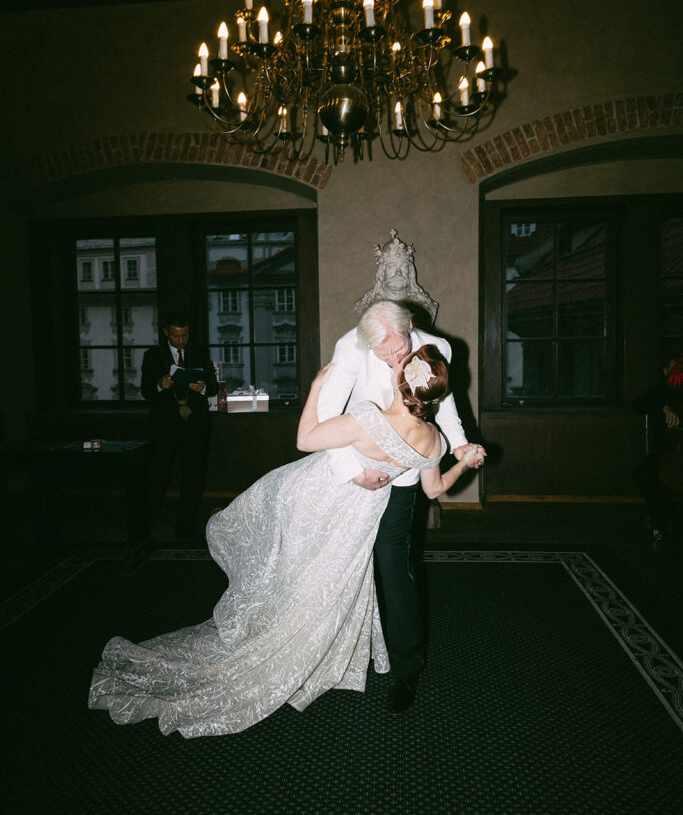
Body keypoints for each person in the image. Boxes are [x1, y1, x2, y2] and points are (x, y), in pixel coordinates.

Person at [88, 345, 484, 738]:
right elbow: (433, 490)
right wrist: (464, 461)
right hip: (358, 518)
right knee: (321, 583)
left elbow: (306, 439)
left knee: (290, 572)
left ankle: (274, 638)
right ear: (437, 396)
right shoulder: (434, 441)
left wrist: (314, 388)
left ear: (401, 382)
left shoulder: (367, 419)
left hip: (318, 499)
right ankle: (297, 646)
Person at [317, 300, 485, 712]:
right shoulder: (350, 347)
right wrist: (353, 472)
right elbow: (326, 411)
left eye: (397, 348)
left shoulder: (436, 347)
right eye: (383, 353)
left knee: (395, 568)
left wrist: (459, 445)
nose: (394, 359)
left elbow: (444, 403)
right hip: (355, 465)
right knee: (339, 561)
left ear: (409, 325)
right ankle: (328, 655)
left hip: (404, 475)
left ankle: (407, 668)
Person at [141, 311, 218, 539]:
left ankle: (185, 527)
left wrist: (202, 387)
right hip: (165, 428)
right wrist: (160, 384)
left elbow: (212, 388)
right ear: (166, 333)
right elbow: (146, 391)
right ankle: (146, 527)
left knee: (193, 478)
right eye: (176, 336)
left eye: (184, 336)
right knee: (158, 477)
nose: (181, 341)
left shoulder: (199, 353)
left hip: (195, 427)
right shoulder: (153, 356)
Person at [633, 349, 683, 544]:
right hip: (667, 453)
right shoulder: (659, 392)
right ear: (665, 372)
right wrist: (664, 406)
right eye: (674, 369)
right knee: (643, 473)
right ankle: (663, 520)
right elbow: (637, 404)